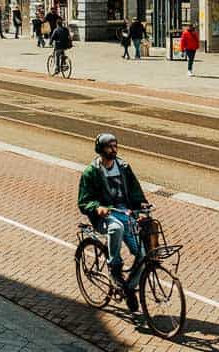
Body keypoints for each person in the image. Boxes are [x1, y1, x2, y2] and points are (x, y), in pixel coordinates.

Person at [77, 133, 148, 312]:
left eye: (115, 145)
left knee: (143, 254)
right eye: (109, 146)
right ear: (101, 149)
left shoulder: (123, 167)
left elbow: (135, 191)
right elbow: (84, 201)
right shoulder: (91, 172)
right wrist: (97, 208)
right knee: (116, 227)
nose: (113, 149)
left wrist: (141, 206)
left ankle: (129, 287)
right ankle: (114, 265)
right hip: (105, 217)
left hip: (125, 213)